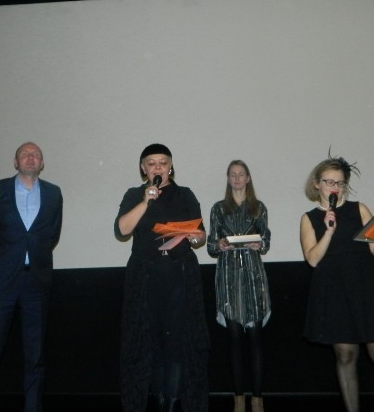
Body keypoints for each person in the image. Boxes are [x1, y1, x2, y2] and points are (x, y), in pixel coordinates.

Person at [300, 155, 374, 412]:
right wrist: (329, 230)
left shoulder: (359, 209)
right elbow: (313, 259)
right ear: (317, 184)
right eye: (329, 182)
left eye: (340, 183)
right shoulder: (309, 218)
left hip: (367, 286)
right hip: (334, 289)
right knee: (346, 356)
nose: (335, 187)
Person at [0, 142, 63, 412]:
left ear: (42, 163)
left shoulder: (54, 193)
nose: (30, 158)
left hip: (37, 283)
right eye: (25, 154)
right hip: (2, 282)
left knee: (35, 353)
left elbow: (51, 235)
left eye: (36, 155)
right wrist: (5, 258)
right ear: (15, 162)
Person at [114, 143, 209, 412]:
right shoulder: (134, 194)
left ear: (171, 166)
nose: (158, 168)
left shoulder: (184, 194)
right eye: (152, 163)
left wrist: (196, 237)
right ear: (143, 168)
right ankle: (154, 400)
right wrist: (146, 201)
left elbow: (200, 234)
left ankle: (174, 402)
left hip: (179, 274)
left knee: (178, 340)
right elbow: (122, 230)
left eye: (163, 162)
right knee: (148, 341)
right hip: (145, 276)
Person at [207, 160, 271, 412]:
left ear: (248, 178)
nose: (236, 178)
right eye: (232, 175)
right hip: (228, 275)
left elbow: (266, 239)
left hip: (253, 275)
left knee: (255, 338)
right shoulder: (218, 208)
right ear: (228, 178)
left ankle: (258, 398)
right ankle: (238, 399)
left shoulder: (259, 207)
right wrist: (220, 244)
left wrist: (259, 243)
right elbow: (211, 244)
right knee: (234, 338)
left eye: (241, 174)